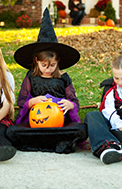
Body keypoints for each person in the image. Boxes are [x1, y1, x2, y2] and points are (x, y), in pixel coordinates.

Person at [6, 8, 87, 153]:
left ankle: (41, 144)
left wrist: (69, 105)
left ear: (58, 61)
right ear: (36, 61)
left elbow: (74, 101)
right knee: (12, 131)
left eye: (52, 65)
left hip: (59, 124)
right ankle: (56, 144)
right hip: (35, 122)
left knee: (81, 129)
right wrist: (31, 102)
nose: (48, 69)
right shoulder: (31, 76)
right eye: (44, 65)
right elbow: (21, 101)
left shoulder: (64, 78)